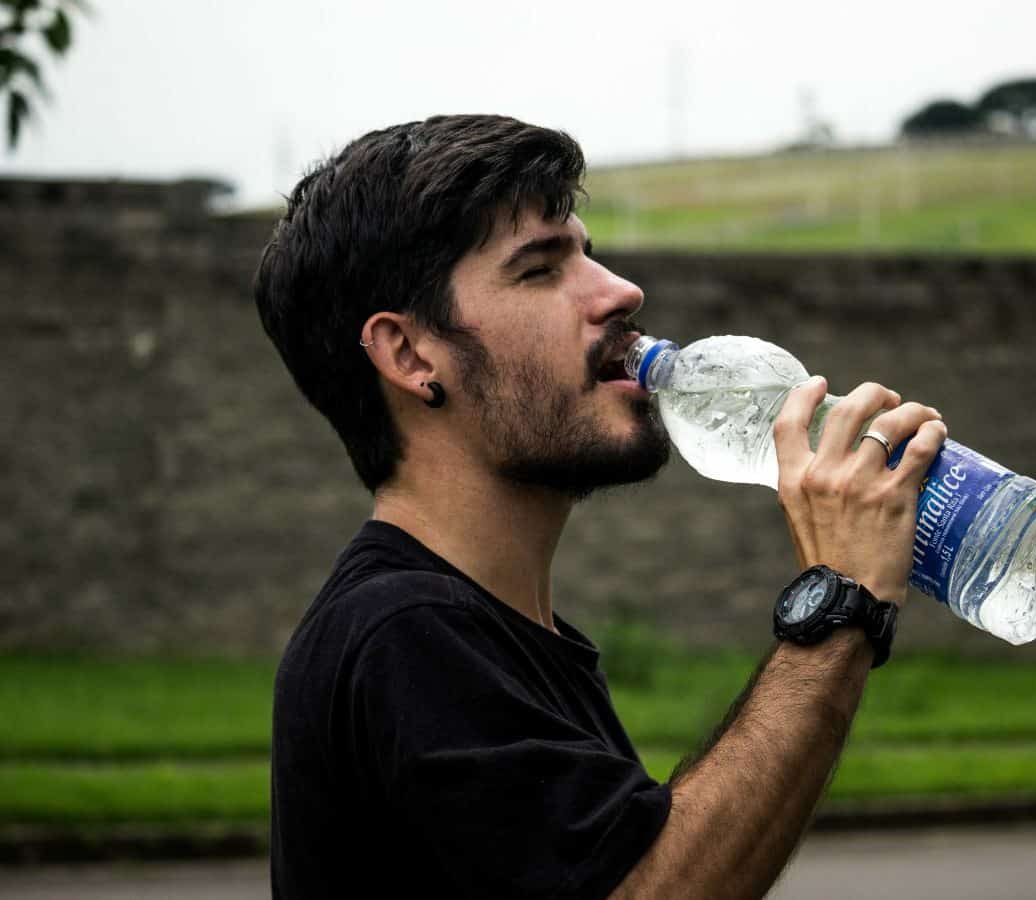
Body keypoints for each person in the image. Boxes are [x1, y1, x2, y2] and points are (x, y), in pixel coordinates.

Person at [255, 114, 946, 899]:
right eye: (541, 268)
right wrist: (841, 602)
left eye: (587, 251)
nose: (621, 290)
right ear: (412, 354)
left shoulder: (503, 636)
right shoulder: (405, 635)